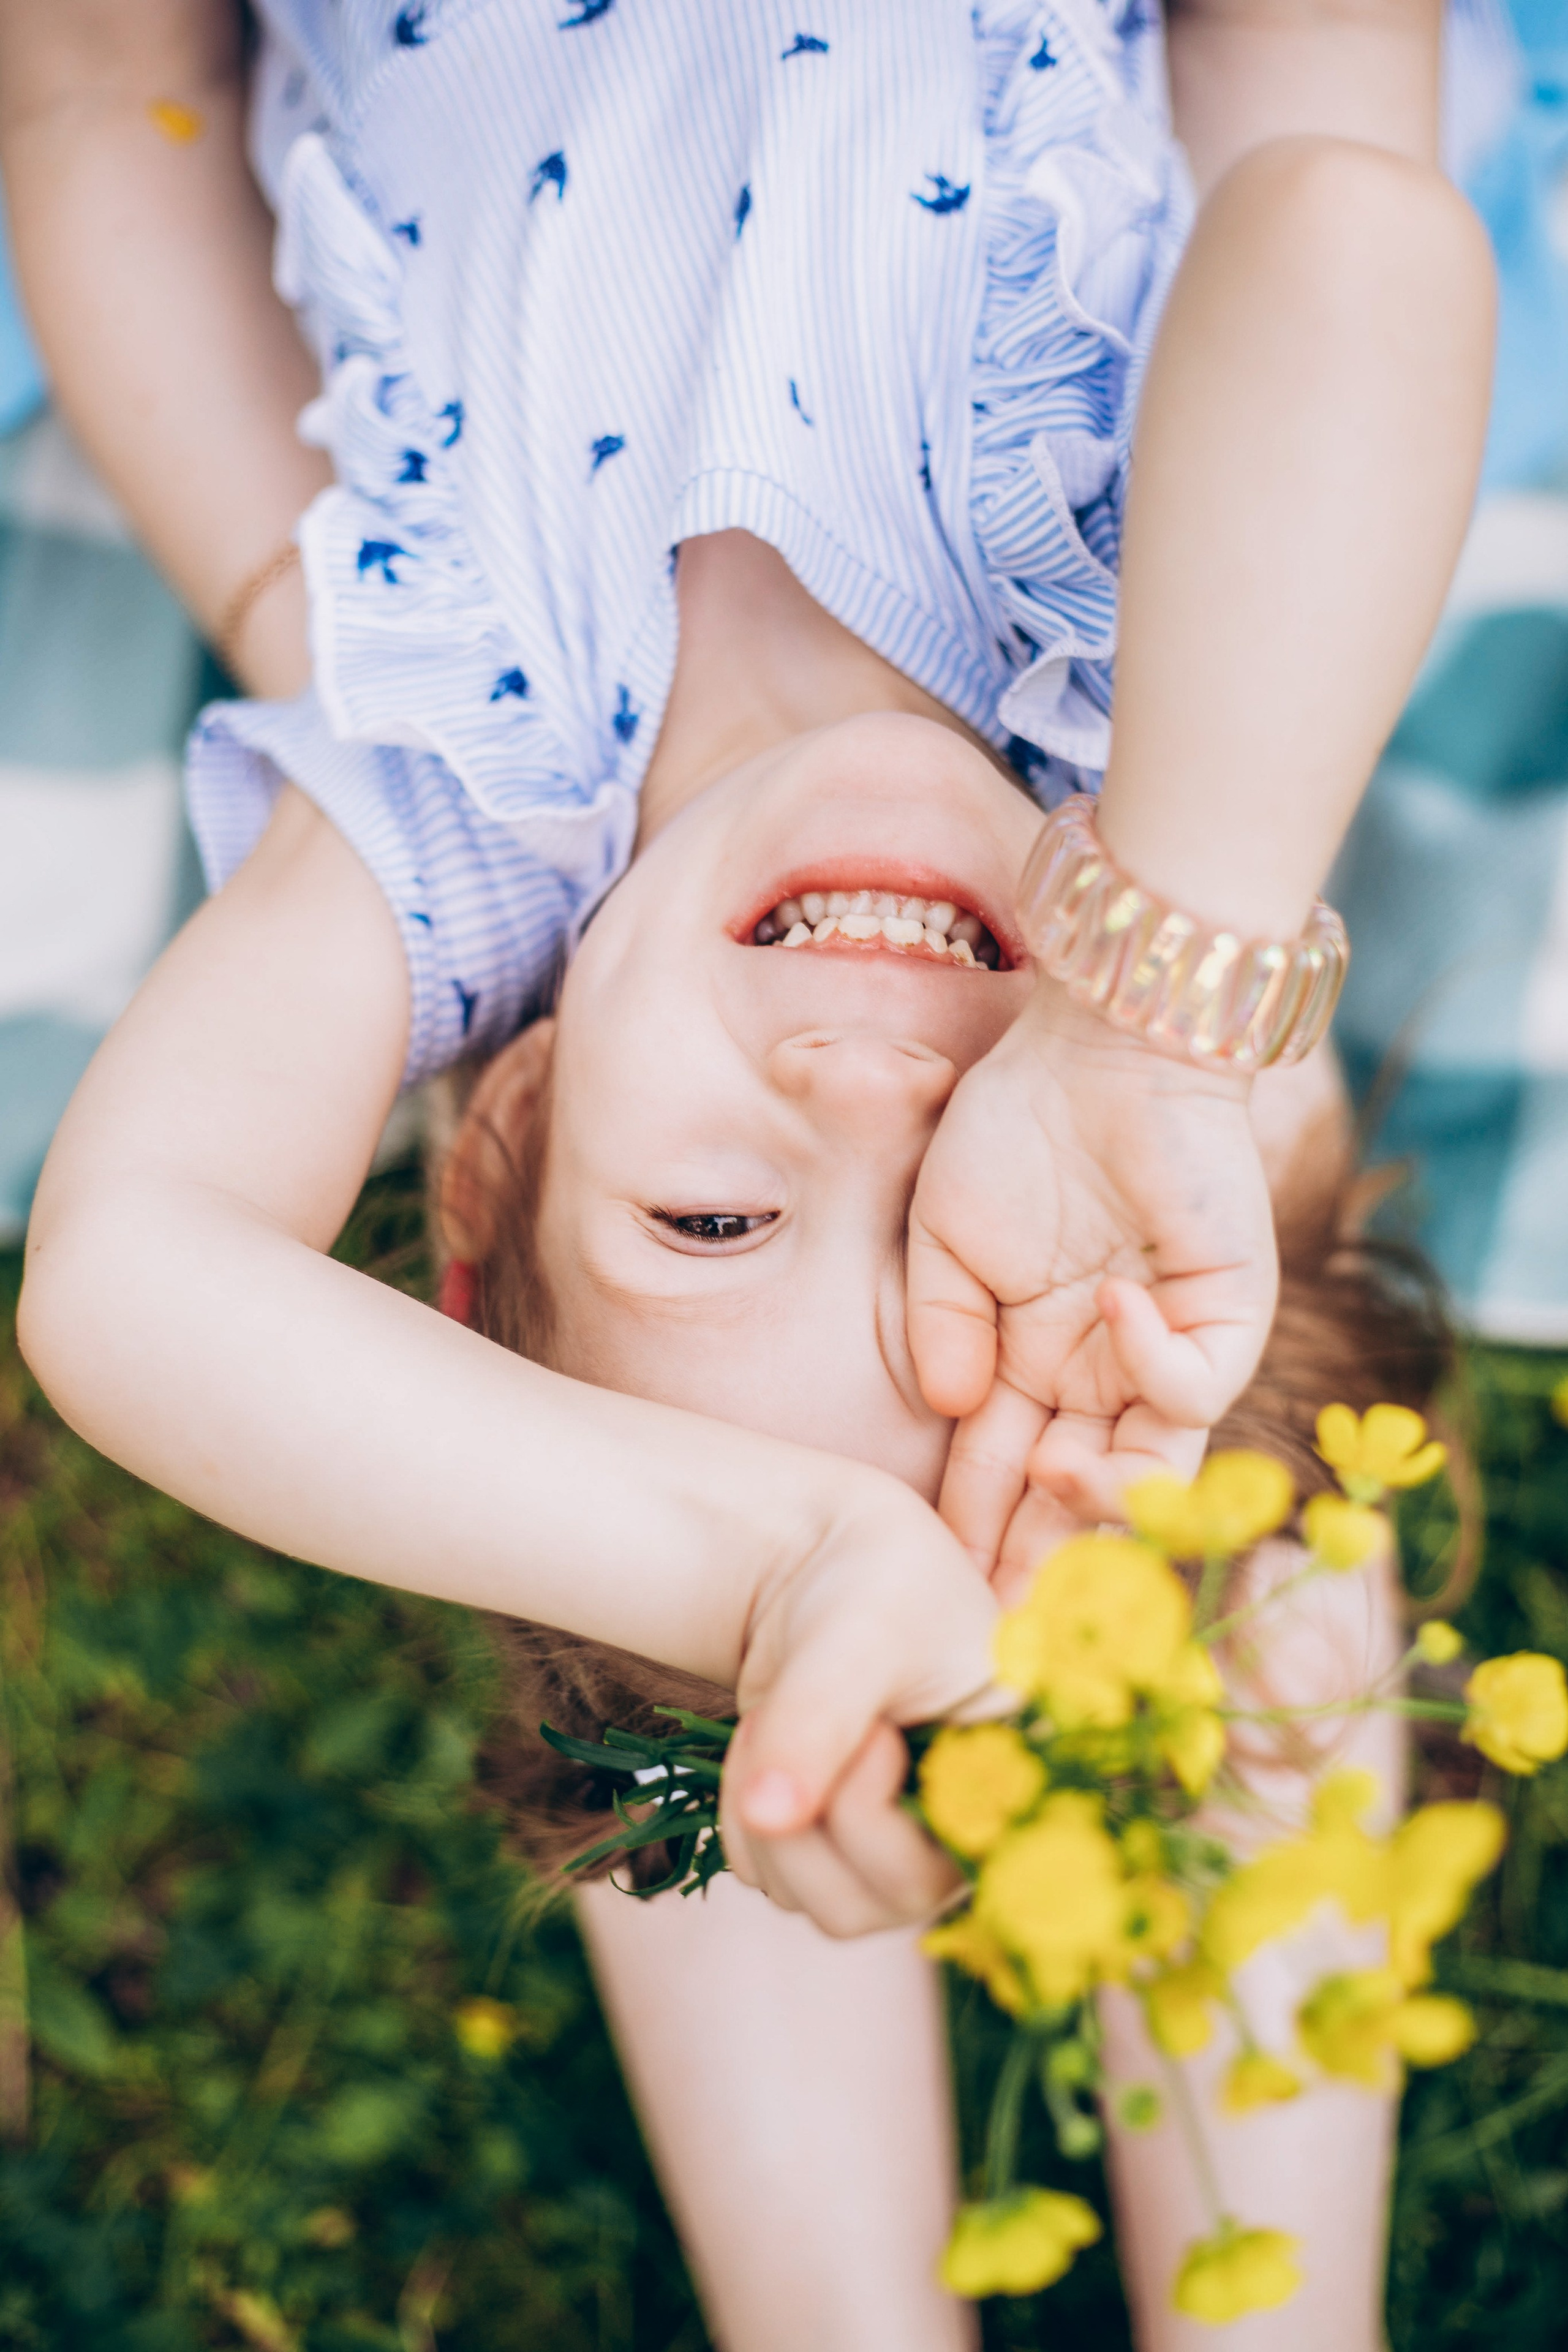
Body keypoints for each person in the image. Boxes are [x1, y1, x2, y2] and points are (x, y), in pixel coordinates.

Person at [4, 1, 1494, 2343]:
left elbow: (125, 1279)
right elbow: (1352, 235)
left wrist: (784, 1563)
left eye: (716, 1220)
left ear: (497, 1135)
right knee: (1203, 1441)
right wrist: (1141, 1010)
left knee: (92, 76)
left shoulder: (449, 801)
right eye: (957, 1165)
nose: (867, 1083)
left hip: (196, 115)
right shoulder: (1159, 709)